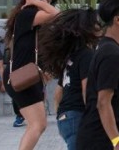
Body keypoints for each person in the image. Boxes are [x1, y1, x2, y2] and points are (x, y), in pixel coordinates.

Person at [4, 0, 61, 150]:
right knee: (37, 124)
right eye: (46, 0)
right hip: (22, 76)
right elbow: (57, 14)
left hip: (27, 76)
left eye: (50, 2)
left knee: (37, 124)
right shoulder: (27, 13)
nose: (48, 5)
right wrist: (34, 1)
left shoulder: (32, 19)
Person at [77, 0, 119, 150]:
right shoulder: (110, 54)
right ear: (118, 20)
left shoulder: (108, 48)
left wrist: (118, 135)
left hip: (101, 136)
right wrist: (116, 142)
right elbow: (103, 102)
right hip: (98, 141)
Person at [37, 8, 100, 149]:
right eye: (96, 23)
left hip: (65, 118)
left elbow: (58, 93)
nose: (99, 26)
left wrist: (60, 115)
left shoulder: (72, 57)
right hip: (77, 116)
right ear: (88, 28)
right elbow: (87, 90)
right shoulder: (87, 55)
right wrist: (93, 118)